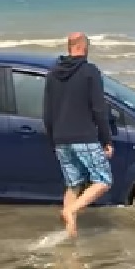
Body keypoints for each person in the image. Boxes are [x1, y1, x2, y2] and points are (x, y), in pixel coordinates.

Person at [42, 32, 114, 238]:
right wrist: (106, 139)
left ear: (69, 47)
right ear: (84, 47)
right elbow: (99, 108)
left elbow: (47, 111)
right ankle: (70, 211)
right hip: (85, 136)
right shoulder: (90, 71)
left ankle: (70, 231)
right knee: (103, 180)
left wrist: (52, 139)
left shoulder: (53, 73)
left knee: (74, 185)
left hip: (61, 139)